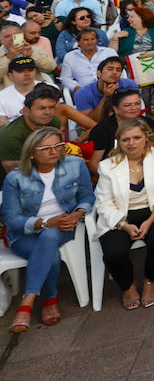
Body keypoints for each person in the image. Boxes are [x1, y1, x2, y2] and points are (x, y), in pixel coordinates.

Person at [2, 126, 93, 331]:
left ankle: (27, 303)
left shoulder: (75, 164)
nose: (54, 151)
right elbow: (12, 219)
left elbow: (87, 197)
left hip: (64, 225)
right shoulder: (15, 178)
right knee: (50, 246)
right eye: (46, 148)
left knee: (50, 235)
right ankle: (49, 298)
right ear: (31, 153)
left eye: (58, 145)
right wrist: (43, 223)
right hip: (23, 234)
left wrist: (78, 214)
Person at [94, 118, 154, 309]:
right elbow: (104, 203)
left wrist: (150, 221)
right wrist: (123, 225)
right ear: (118, 141)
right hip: (121, 214)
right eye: (125, 139)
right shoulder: (108, 166)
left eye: (136, 138)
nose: (131, 143)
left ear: (146, 137)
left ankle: (150, 280)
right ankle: (127, 286)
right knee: (114, 252)